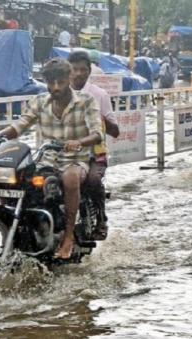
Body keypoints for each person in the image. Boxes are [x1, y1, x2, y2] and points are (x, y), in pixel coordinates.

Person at [0, 58, 103, 259]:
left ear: (68, 78)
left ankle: (68, 237)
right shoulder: (39, 101)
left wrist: (79, 141)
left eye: (60, 82)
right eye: (51, 83)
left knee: (70, 179)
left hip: (75, 158)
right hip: (47, 158)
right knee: (21, 181)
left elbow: (97, 133)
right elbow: (20, 125)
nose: (55, 87)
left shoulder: (86, 101)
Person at [68, 51, 119, 240]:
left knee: (92, 180)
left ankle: (101, 219)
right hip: (64, 154)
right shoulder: (59, 93)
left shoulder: (100, 95)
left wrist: (103, 120)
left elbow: (115, 131)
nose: (79, 74)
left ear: (89, 71)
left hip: (93, 155)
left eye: (83, 70)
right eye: (75, 70)